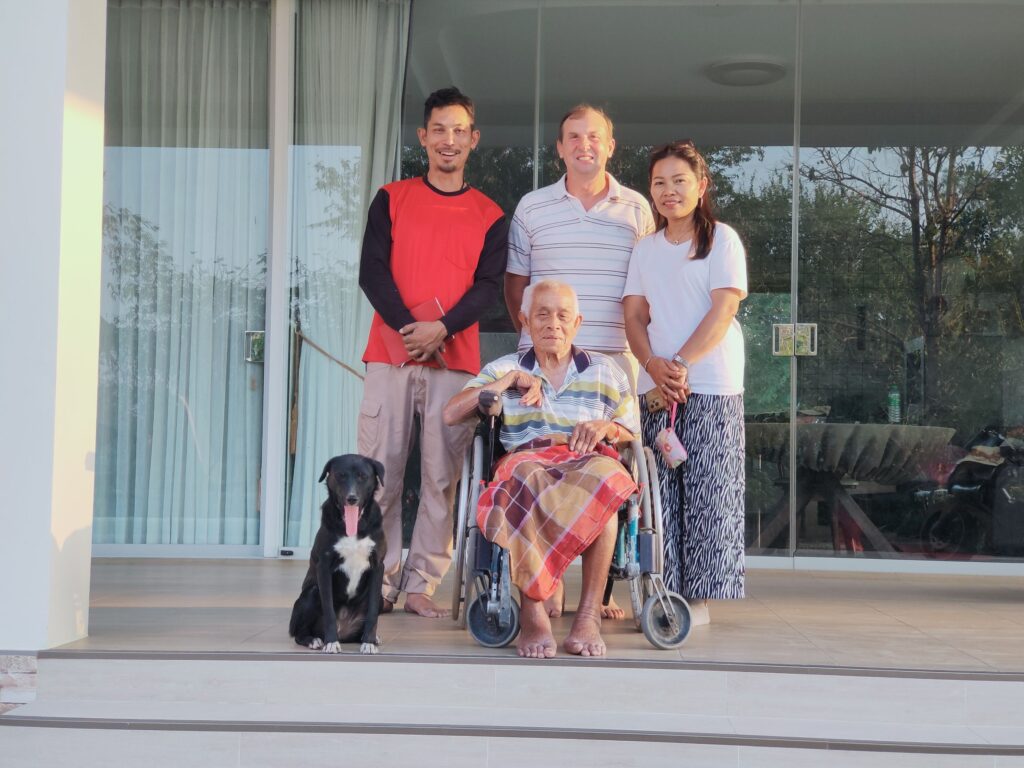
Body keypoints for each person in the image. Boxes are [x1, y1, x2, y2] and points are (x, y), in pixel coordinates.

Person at [357, 87, 508, 618]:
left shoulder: (490, 214)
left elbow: (489, 288)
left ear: (473, 139)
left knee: (441, 478)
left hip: (455, 361)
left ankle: (421, 584)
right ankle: (376, 582)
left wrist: (441, 328)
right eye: (439, 129)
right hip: (390, 354)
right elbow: (371, 271)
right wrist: (409, 328)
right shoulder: (391, 198)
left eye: (459, 130)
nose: (449, 140)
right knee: (380, 474)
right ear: (423, 137)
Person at [503, 104, 654, 619]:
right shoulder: (532, 207)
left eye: (594, 137)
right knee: (544, 465)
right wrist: (535, 340)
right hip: (544, 360)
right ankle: (548, 582)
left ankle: (603, 591)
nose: (583, 145)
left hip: (612, 358)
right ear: (560, 147)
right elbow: (516, 284)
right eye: (573, 137)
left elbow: (646, 283)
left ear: (610, 145)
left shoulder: (636, 208)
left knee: (607, 467)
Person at [443, 281, 639, 657]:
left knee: (610, 481)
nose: (553, 324)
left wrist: (607, 428)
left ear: (577, 323)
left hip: (587, 459)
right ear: (525, 321)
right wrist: (508, 382)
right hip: (528, 460)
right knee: (523, 479)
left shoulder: (606, 371)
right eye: (543, 315)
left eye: (563, 316)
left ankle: (588, 616)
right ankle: (533, 614)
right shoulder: (506, 367)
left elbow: (632, 434)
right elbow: (451, 413)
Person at [622, 140, 748, 626]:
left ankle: (699, 599)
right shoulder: (645, 249)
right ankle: (663, 593)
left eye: (679, 181)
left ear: (701, 186)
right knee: (659, 496)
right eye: (659, 182)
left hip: (711, 385)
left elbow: (724, 309)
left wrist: (679, 362)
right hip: (656, 388)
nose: (668, 191)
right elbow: (634, 316)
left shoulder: (722, 240)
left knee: (710, 492)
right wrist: (652, 364)